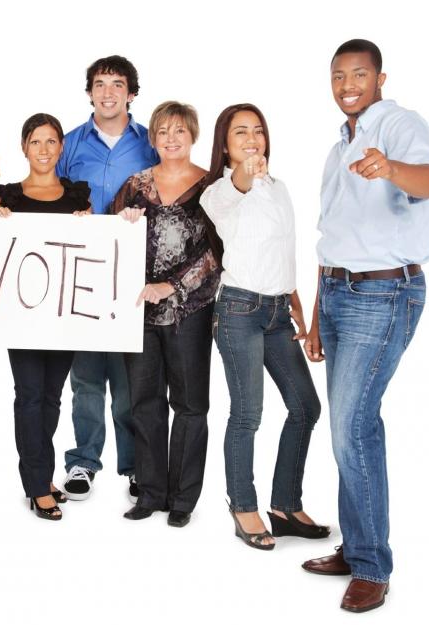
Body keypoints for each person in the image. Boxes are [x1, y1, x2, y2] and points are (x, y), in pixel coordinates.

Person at [301, 39, 429, 613]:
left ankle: (372, 566)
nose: (348, 83)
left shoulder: (400, 124)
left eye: (359, 73)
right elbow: (331, 237)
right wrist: (314, 315)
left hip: (382, 293)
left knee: (350, 427)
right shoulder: (340, 147)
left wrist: (391, 168)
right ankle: (357, 545)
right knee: (353, 426)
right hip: (337, 293)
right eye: (338, 75)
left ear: (381, 77)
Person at [200, 104, 326, 550]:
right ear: (226, 144)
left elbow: (284, 248)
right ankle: (243, 506)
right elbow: (237, 187)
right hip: (238, 312)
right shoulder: (219, 192)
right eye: (240, 133)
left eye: (258, 131)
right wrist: (245, 174)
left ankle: (285, 506)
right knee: (248, 413)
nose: (252, 139)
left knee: (306, 407)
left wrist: (296, 304)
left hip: (277, 312)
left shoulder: (280, 187)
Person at [56, 55, 159, 502]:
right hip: (80, 276)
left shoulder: (150, 144)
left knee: (131, 382)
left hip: (134, 277)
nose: (108, 92)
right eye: (100, 84)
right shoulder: (70, 144)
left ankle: (137, 466)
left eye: (118, 84)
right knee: (85, 379)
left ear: (132, 93)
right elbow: (47, 194)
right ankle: (82, 462)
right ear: (89, 92)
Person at [113, 102, 220, 528]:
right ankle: (151, 492)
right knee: (145, 403)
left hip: (189, 311)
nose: (171, 138)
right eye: (162, 131)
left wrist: (172, 286)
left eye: (179, 131)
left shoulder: (211, 187)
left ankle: (183, 499)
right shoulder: (135, 185)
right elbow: (109, 245)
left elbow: (217, 252)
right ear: (152, 138)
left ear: (192, 135)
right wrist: (122, 221)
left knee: (191, 405)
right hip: (138, 312)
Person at [0, 113, 92, 520]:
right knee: (30, 396)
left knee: (51, 397)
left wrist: (90, 226)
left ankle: (42, 474)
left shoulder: (77, 196)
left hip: (64, 317)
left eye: (52, 142)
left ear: (61, 148)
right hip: (23, 316)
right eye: (36, 142)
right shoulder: (7, 197)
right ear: (24, 147)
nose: (45, 150)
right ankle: (36, 486)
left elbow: (87, 250)